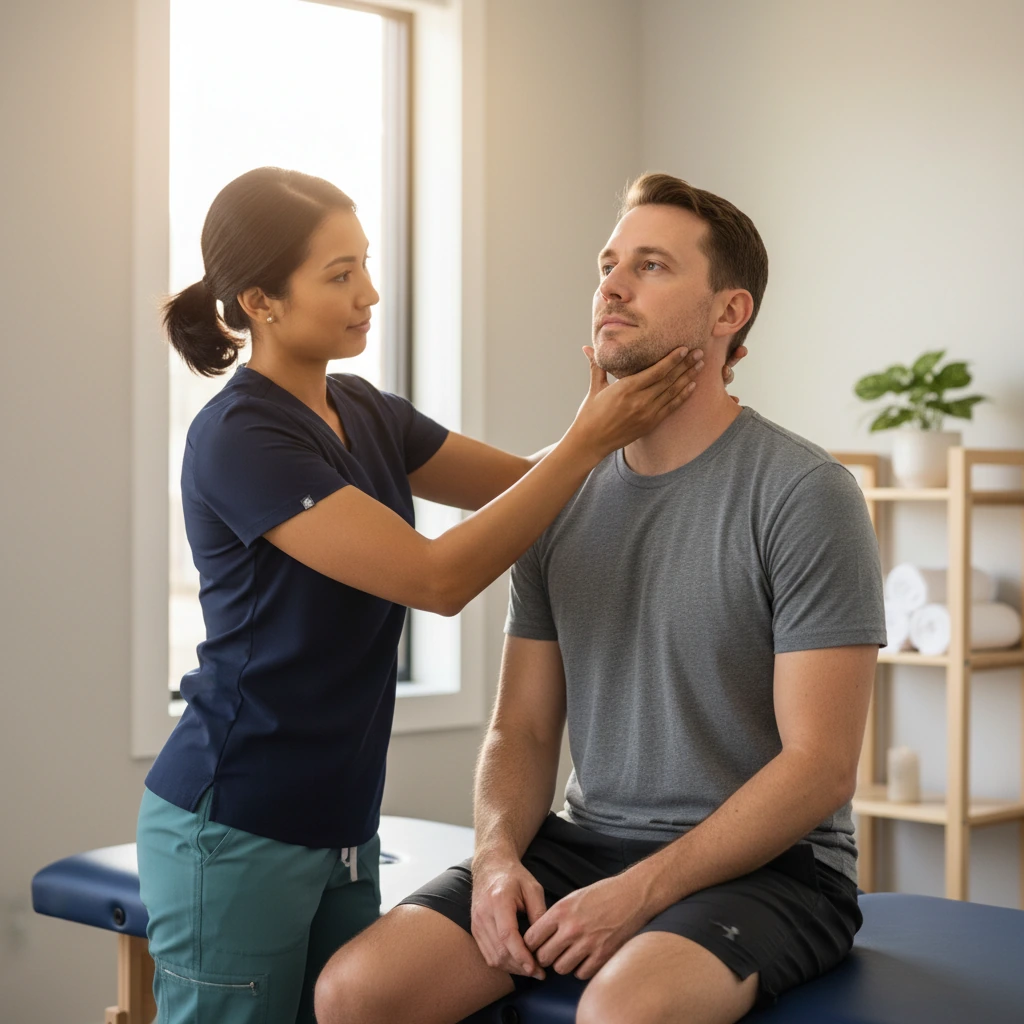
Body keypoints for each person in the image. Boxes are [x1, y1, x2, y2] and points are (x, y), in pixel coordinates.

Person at [135, 166, 743, 1024]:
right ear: (262, 300)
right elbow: (438, 577)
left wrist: (643, 435)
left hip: (341, 826)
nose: (369, 293)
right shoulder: (240, 437)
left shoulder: (365, 411)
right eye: (339, 275)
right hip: (235, 823)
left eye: (365, 265)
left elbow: (529, 486)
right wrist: (590, 436)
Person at [314, 172, 886, 1024]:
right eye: (609, 263)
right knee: (354, 993)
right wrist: (499, 853)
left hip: (775, 867)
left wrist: (641, 890)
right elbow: (525, 727)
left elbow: (819, 768)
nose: (611, 286)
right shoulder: (562, 487)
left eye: (651, 266)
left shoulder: (804, 493)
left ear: (729, 314)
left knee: (622, 1012)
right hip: (587, 841)